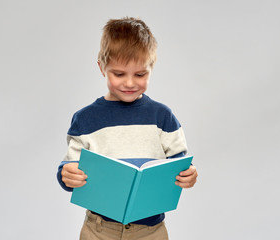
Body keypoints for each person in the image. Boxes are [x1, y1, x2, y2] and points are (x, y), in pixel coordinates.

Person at [57, 17, 198, 240]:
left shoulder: (162, 116)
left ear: (151, 68)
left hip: (150, 231)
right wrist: (66, 175)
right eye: (119, 74)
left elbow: (179, 164)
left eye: (140, 74)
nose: (130, 83)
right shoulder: (85, 119)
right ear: (102, 67)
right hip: (99, 229)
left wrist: (188, 175)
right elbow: (70, 167)